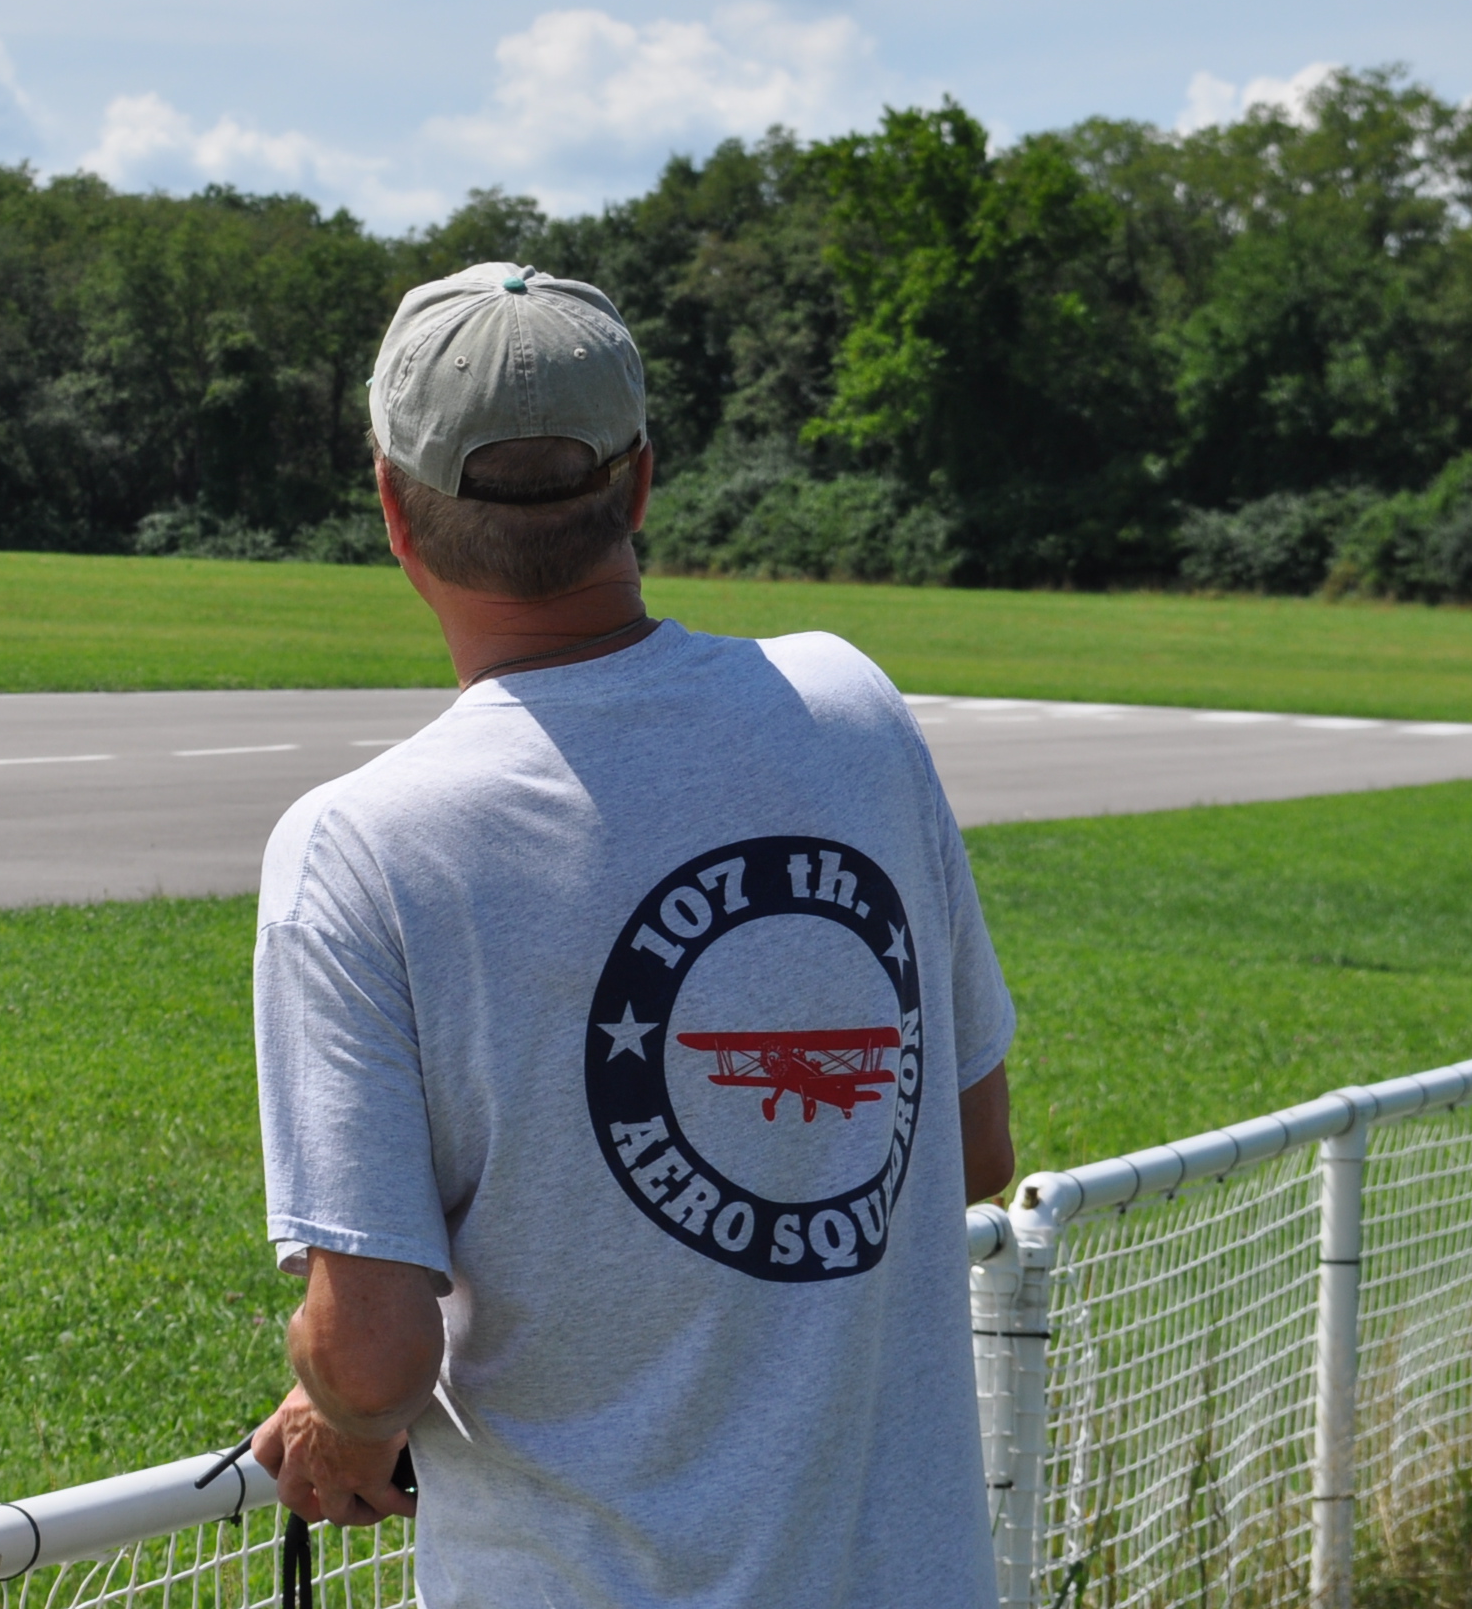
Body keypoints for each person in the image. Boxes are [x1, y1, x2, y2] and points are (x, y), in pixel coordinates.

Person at [244, 262, 1017, 1609]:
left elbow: (373, 1353)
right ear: (642, 484)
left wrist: (346, 1421)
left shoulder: (360, 844)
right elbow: (974, 1147)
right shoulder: (855, 710)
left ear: (391, 510)